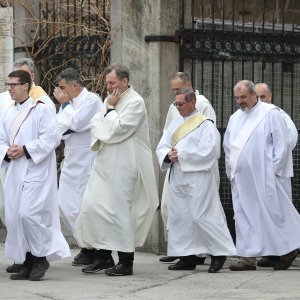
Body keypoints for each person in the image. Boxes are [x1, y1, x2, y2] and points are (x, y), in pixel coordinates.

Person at [74, 63, 159, 276]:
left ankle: (125, 262)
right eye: (107, 83)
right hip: (104, 164)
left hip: (125, 165)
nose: (109, 87)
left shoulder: (135, 102)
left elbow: (119, 129)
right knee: (94, 207)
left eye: (112, 82)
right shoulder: (108, 100)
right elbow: (96, 125)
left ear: (124, 81)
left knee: (120, 213)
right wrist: (108, 113)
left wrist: (110, 111)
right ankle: (103, 257)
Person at [0, 70, 70, 281]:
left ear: (26, 86)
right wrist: (7, 151)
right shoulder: (8, 112)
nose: (10, 88)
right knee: (14, 217)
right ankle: (27, 260)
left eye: (14, 84)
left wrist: (26, 149)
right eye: (8, 84)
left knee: (28, 214)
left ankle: (41, 258)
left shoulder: (41, 110)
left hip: (35, 169)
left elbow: (52, 138)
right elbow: (1, 138)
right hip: (14, 169)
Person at [224, 80, 300, 271]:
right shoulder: (235, 118)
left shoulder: (270, 113)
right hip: (242, 179)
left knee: (275, 214)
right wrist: (231, 170)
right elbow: (228, 147)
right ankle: (247, 257)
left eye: (243, 97)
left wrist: (273, 172)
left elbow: (282, 145)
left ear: (253, 95)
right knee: (245, 216)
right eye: (237, 98)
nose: (240, 101)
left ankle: (289, 248)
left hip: (266, 177)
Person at [156, 89, 235, 272]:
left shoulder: (205, 124)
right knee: (181, 217)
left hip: (198, 177)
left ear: (193, 103)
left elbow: (211, 151)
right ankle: (187, 256)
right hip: (178, 177)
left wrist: (181, 155)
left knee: (202, 215)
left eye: (181, 104)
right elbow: (162, 146)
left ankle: (219, 253)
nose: (178, 107)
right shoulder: (175, 123)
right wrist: (168, 155)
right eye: (176, 104)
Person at [159, 72, 217, 264]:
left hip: (196, 168)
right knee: (170, 207)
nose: (176, 94)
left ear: (189, 85)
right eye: (174, 90)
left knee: (196, 211)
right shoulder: (173, 106)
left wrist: (186, 155)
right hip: (176, 167)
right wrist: (169, 153)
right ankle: (178, 247)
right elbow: (168, 133)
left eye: (179, 89)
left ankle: (198, 253)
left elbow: (208, 139)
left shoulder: (203, 105)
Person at [54, 68, 103, 266]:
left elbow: (76, 122)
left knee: (83, 205)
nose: (60, 92)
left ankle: (93, 248)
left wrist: (65, 107)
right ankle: (86, 243)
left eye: (62, 87)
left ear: (75, 86)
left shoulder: (91, 100)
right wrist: (66, 110)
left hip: (86, 158)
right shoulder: (68, 104)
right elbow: (59, 128)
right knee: (64, 204)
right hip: (71, 157)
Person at [252, 83, 299, 268]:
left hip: (275, 173)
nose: (260, 100)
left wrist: (274, 166)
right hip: (259, 174)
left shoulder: (277, 113)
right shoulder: (253, 116)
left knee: (279, 212)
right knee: (264, 213)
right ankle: (271, 252)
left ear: (270, 95)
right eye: (257, 97)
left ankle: (284, 251)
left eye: (263, 96)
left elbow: (290, 138)